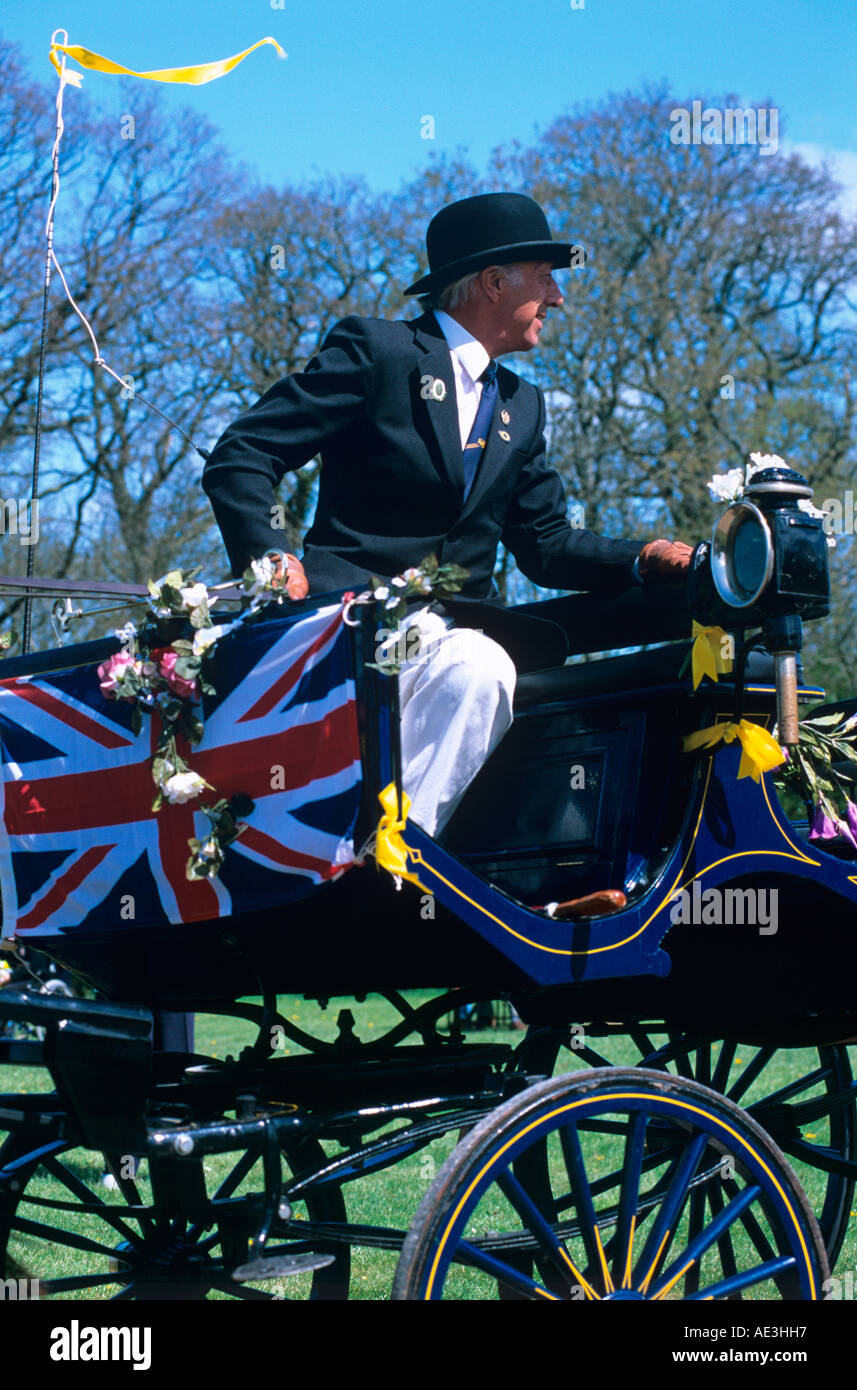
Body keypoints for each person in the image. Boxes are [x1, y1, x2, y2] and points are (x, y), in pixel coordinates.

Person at [202, 193, 691, 838]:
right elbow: (244, 452)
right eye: (545, 277)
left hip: (453, 641)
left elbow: (545, 544)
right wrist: (271, 555)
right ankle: (392, 871)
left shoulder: (523, 404)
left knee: (480, 663)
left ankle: (422, 864)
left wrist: (641, 556)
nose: (558, 297)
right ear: (493, 282)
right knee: (481, 666)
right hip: (355, 630)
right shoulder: (378, 352)